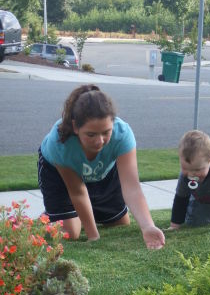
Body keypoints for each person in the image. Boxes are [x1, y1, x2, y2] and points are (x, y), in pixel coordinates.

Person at [38, 84, 165, 249]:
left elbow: (132, 187)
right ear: (76, 127)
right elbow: (77, 192)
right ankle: (47, 217)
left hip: (101, 172)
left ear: (113, 122)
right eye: (91, 134)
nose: (99, 141)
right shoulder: (60, 142)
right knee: (70, 233)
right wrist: (93, 236)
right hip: (58, 174)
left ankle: (79, 215)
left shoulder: (122, 135)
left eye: (106, 132)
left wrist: (148, 226)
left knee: (120, 224)